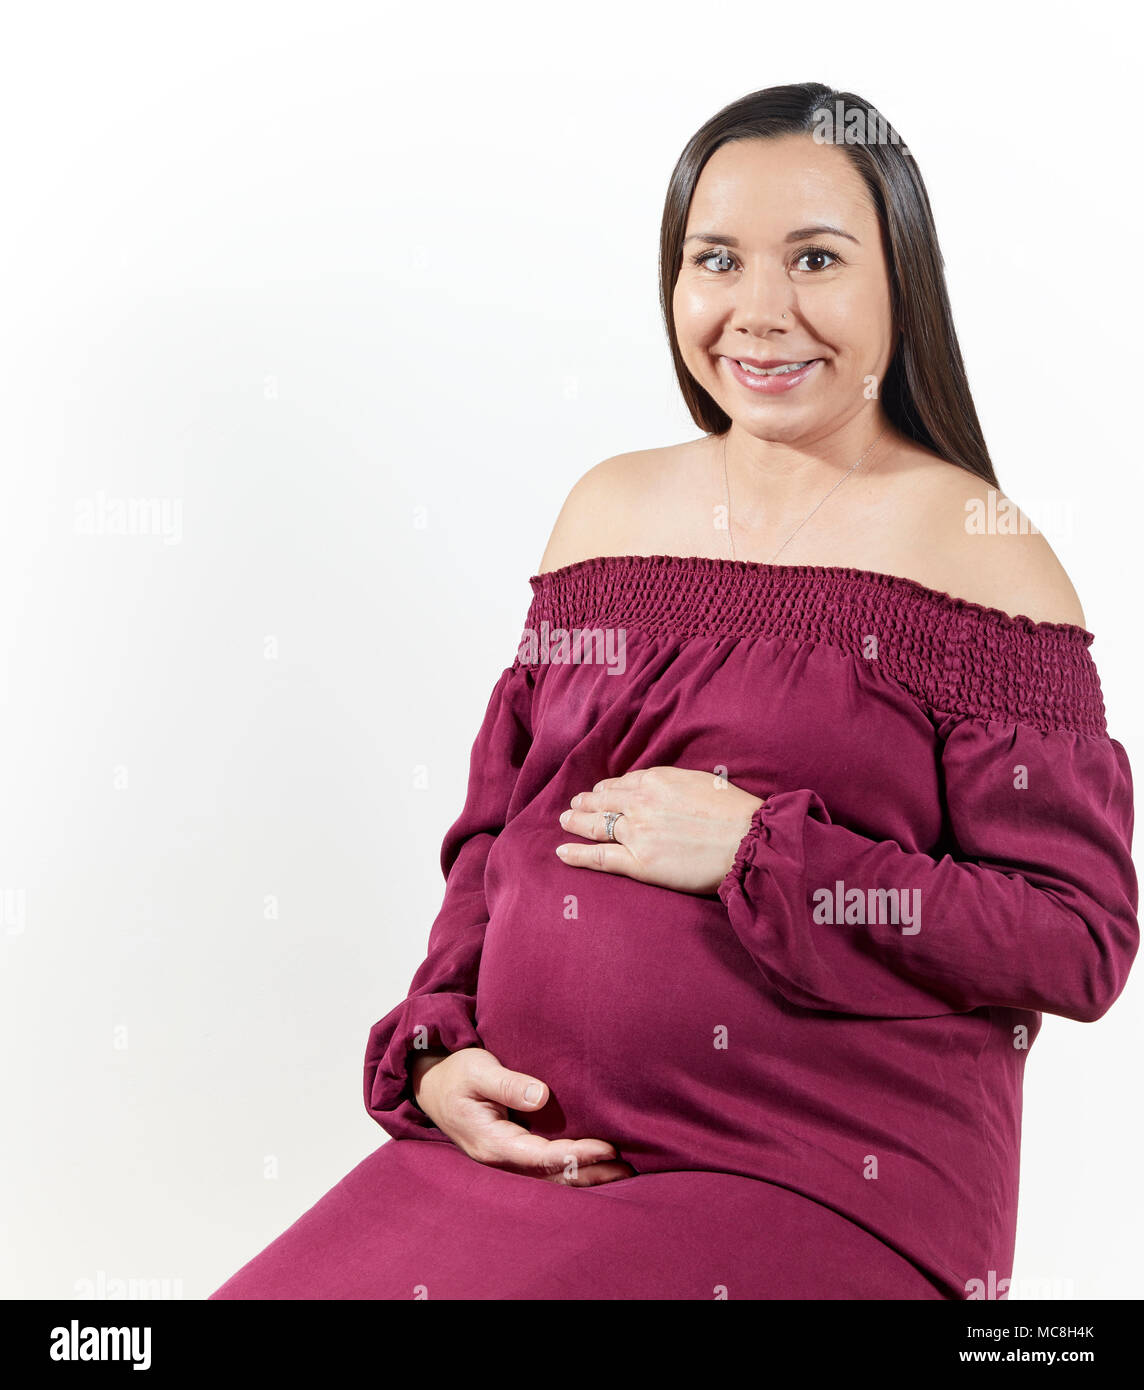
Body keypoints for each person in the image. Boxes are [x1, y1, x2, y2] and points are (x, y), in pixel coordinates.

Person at [210, 82, 1138, 1300]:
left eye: (815, 258)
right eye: (716, 260)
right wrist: (439, 1044)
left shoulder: (977, 553)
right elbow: (500, 830)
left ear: (900, 282)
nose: (759, 313)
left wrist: (766, 852)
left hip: (809, 1174)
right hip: (531, 1144)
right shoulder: (608, 511)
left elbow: (1074, 941)